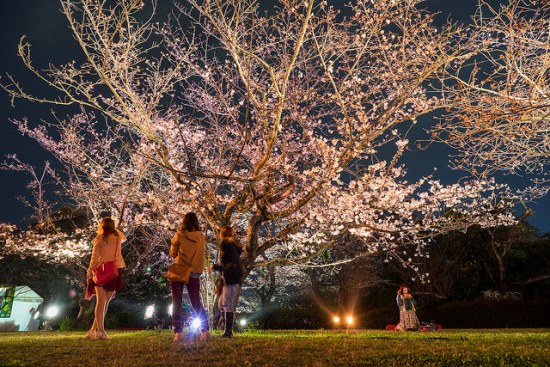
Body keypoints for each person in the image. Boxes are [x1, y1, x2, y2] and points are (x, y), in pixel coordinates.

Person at [169, 212, 210, 342]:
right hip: (194, 271)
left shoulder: (179, 235)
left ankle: (178, 332)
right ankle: (205, 330)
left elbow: (172, 253)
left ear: (184, 222)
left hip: (180, 269)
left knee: (177, 301)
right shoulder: (201, 237)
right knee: (195, 301)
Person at [85, 217, 126, 340]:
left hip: (101, 271)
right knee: (105, 303)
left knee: (100, 303)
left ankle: (97, 331)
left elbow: (94, 257)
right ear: (113, 227)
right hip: (114, 270)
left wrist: (89, 271)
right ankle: (97, 331)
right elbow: (123, 236)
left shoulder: (98, 239)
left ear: (101, 226)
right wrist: (114, 229)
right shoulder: (118, 238)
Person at [209, 226, 244, 338]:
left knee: (226, 304)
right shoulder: (233, 246)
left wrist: (215, 267)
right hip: (234, 277)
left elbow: (227, 265)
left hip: (231, 278)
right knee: (221, 305)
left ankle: (228, 331)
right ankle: (226, 329)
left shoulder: (225, 245)